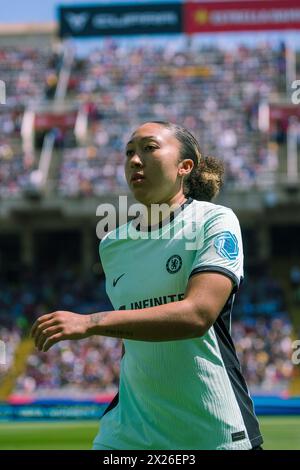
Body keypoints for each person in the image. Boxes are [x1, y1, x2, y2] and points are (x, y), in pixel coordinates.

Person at [31, 121, 263, 450]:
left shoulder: (214, 221)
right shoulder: (112, 243)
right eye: (129, 152)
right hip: (127, 432)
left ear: (185, 167)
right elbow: (134, 330)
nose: (135, 160)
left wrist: (89, 322)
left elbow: (197, 315)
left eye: (149, 148)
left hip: (209, 431)